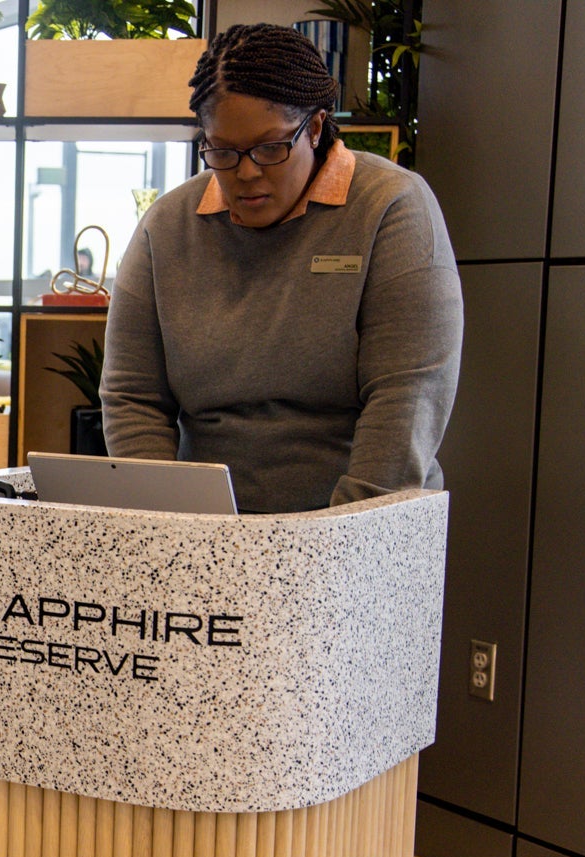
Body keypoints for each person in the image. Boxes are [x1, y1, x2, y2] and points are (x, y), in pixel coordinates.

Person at [100, 22, 461, 514]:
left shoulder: (391, 206)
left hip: (362, 527)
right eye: (223, 152)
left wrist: (331, 542)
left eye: (271, 148)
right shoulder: (166, 226)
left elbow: (409, 397)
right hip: (204, 533)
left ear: (313, 128)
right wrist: (168, 525)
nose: (246, 173)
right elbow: (132, 397)